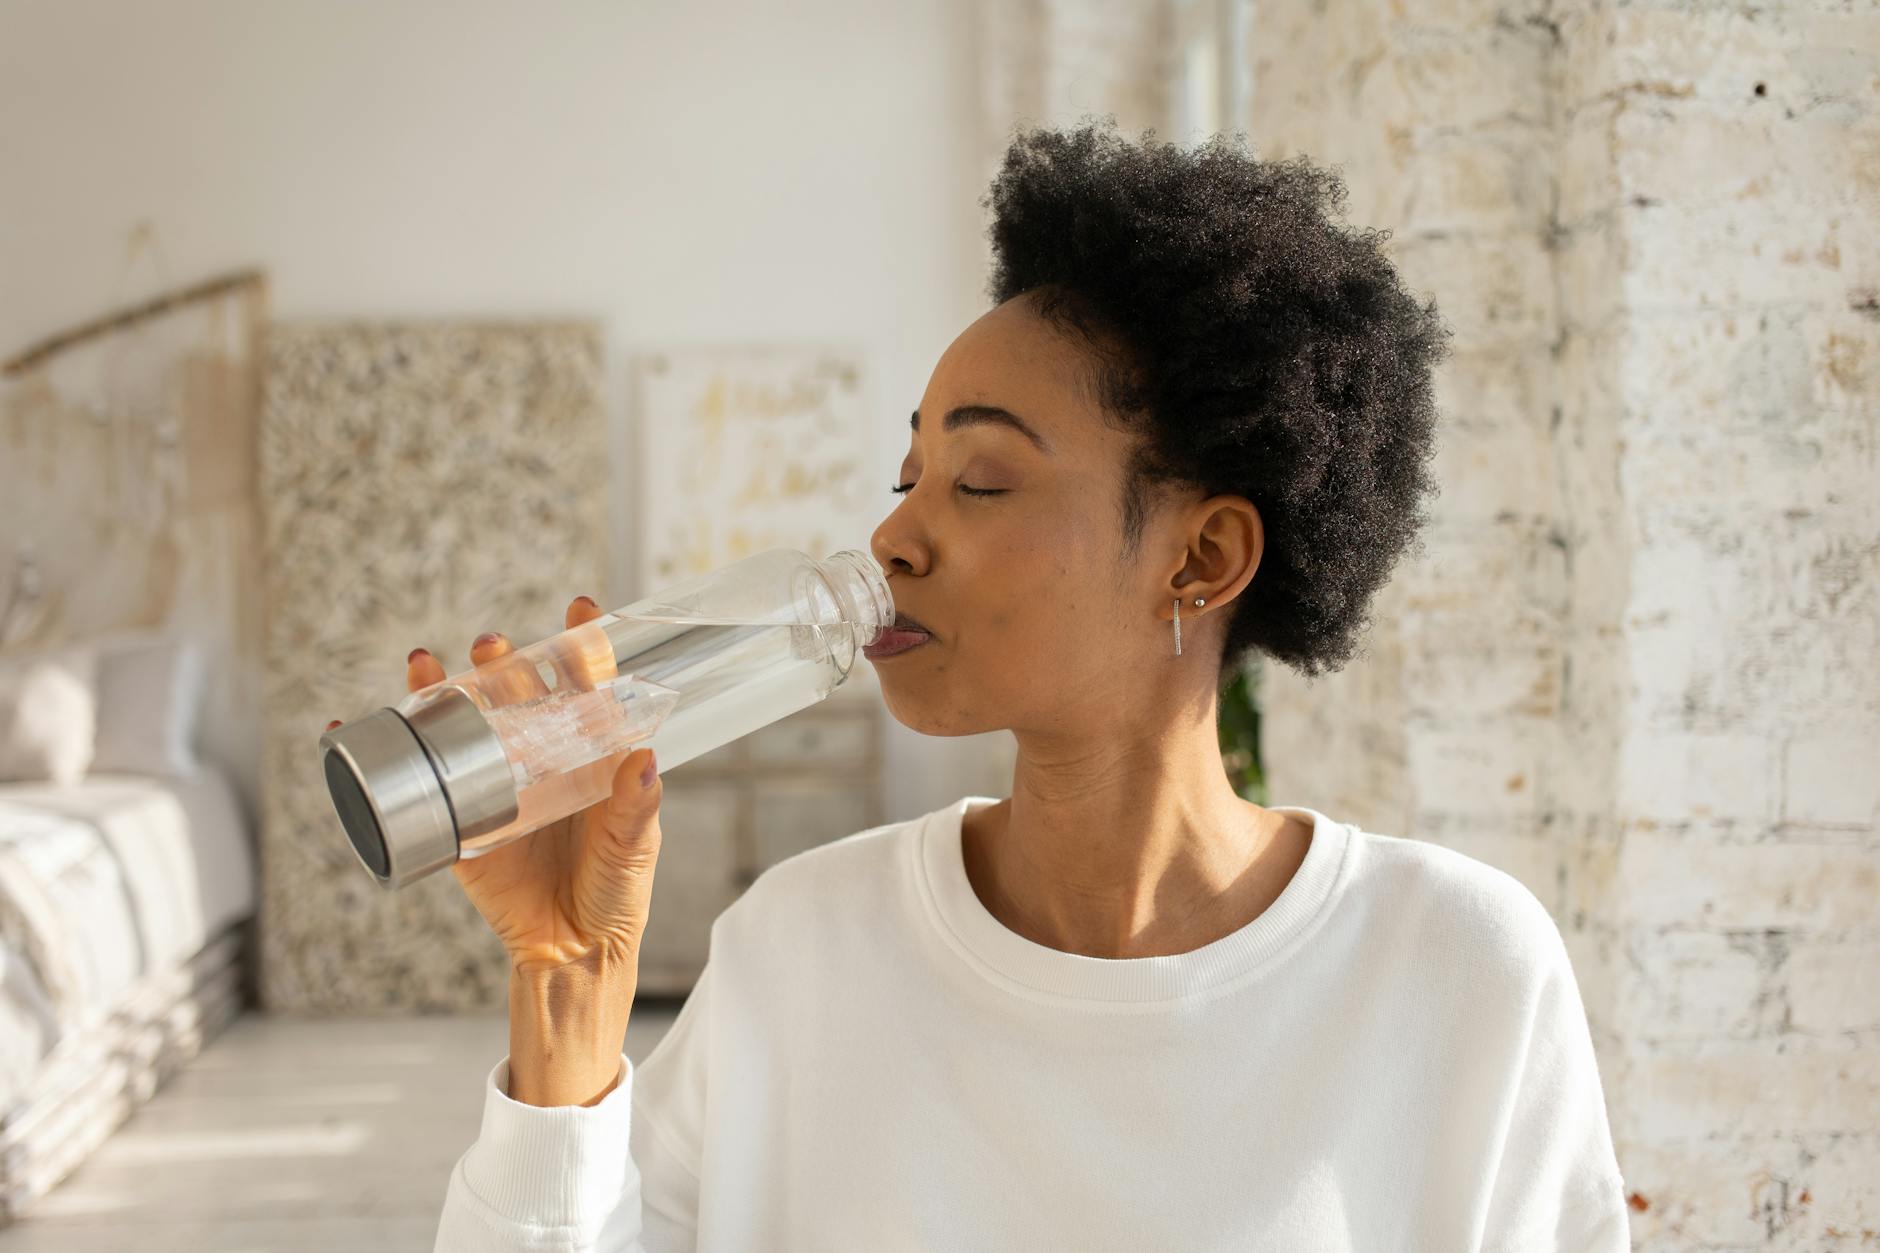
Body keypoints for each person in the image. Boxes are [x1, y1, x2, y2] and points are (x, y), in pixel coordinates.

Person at [385, 118, 1629, 1251]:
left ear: (1201, 556)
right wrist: (571, 986)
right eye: (903, 477)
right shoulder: (802, 949)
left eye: (978, 481)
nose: (894, 539)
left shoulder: (1452, 972)